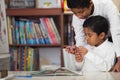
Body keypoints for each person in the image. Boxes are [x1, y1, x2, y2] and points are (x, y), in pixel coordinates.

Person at [65, 0, 120, 72]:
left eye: (81, 12)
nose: (79, 16)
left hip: (114, 39)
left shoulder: (107, 5)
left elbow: (116, 32)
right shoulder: (77, 17)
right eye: (75, 13)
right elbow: (80, 38)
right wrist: (78, 51)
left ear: (90, 4)